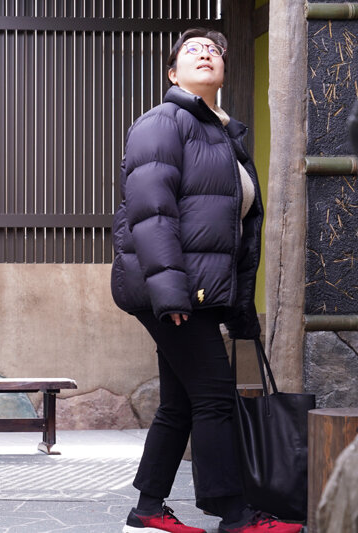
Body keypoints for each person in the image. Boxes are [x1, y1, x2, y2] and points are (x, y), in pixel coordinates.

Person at [111, 29, 303, 533]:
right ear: (172, 73)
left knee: (179, 403)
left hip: (194, 289)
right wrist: (171, 292)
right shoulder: (163, 121)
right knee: (215, 398)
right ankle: (234, 514)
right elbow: (151, 211)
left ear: (223, 70)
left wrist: (236, 306)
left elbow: (235, 231)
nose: (206, 53)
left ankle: (147, 509)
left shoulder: (222, 135)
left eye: (214, 50)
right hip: (175, 290)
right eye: (192, 49)